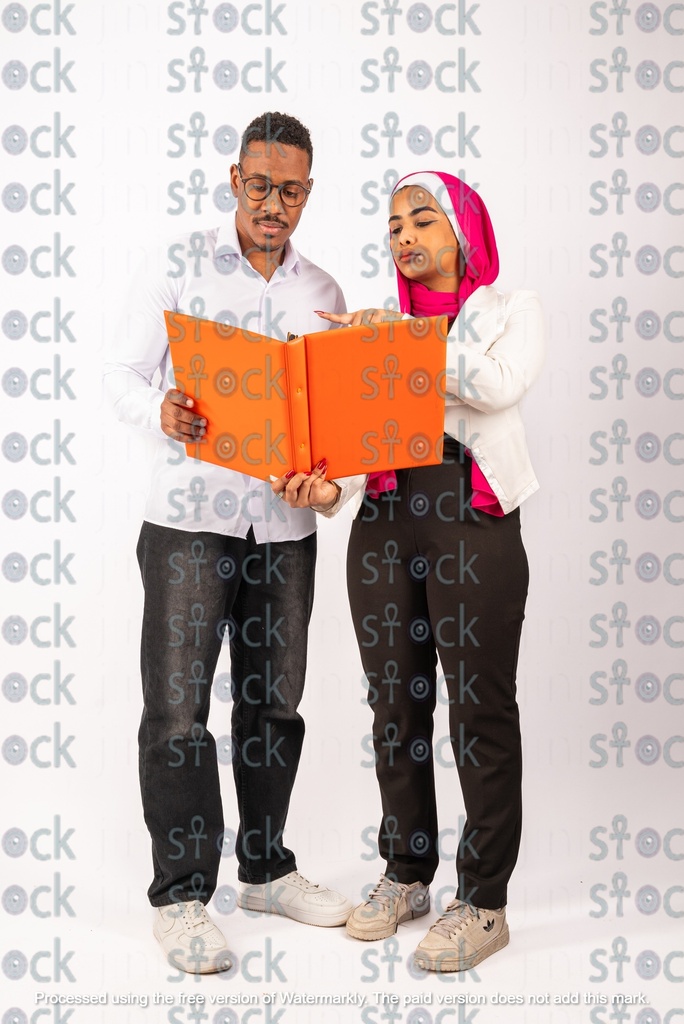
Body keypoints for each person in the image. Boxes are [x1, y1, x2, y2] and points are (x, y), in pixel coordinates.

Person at [273, 170, 544, 972]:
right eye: (393, 225)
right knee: (395, 708)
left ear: (463, 231)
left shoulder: (509, 311)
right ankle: (406, 871)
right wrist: (326, 491)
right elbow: (358, 459)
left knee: (479, 713)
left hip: (472, 517)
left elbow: (496, 386)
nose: (404, 236)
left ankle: (484, 901)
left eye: (422, 220)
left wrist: (399, 343)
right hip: (387, 526)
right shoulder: (381, 330)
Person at [103, 111, 353, 974]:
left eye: (291, 190)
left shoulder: (324, 292)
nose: (273, 203)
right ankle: (180, 896)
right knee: (176, 711)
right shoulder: (176, 263)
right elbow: (122, 374)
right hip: (188, 521)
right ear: (234, 179)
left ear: (308, 193)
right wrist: (159, 413)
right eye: (260, 184)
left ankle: (265, 868)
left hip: (283, 528)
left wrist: (326, 483)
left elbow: (337, 426)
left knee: (274, 704)